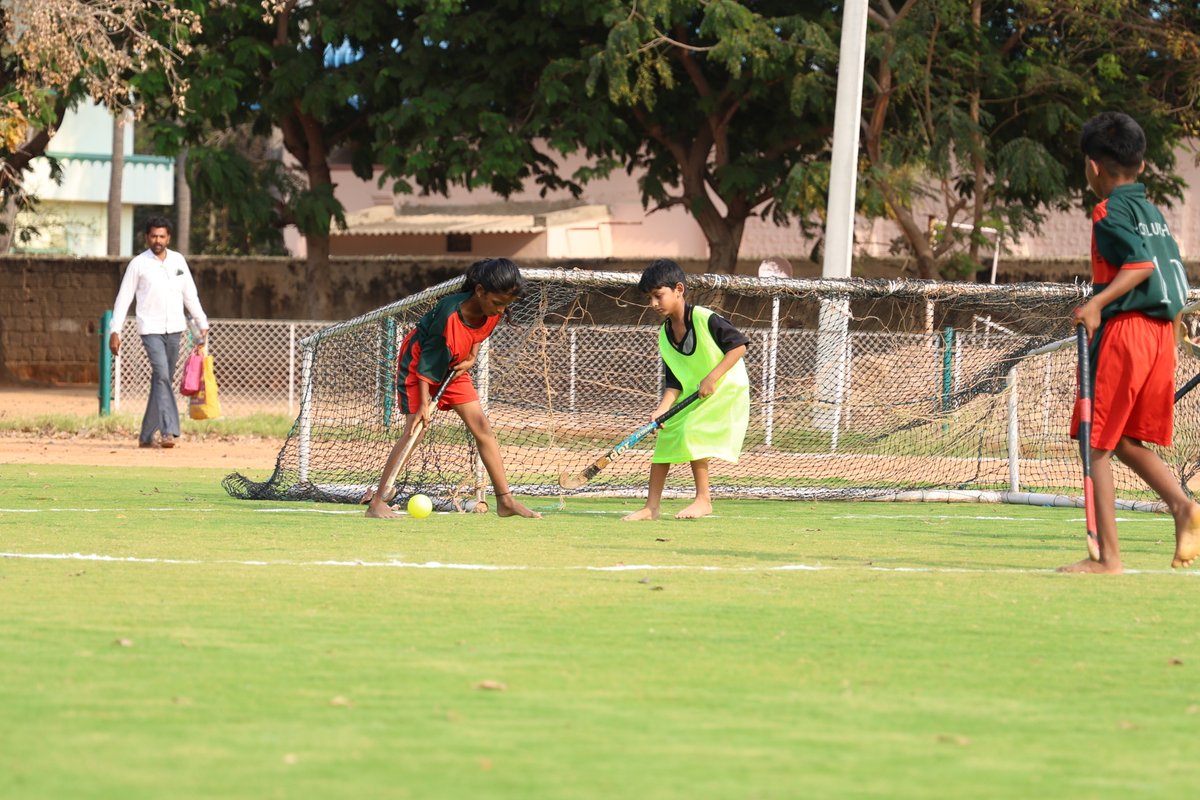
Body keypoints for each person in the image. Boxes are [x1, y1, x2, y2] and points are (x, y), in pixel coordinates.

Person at [1062, 111, 1200, 573]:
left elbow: (1139, 267)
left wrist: (1097, 304)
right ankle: (1184, 507)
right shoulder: (1153, 213)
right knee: (1121, 439)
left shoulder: (1108, 211)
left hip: (1130, 331)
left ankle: (1108, 559)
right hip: (1164, 334)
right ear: (1141, 166)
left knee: (1093, 439)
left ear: (1093, 166)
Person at [366, 257, 541, 520]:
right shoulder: (449, 316)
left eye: (507, 305)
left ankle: (505, 501)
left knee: (482, 426)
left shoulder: (494, 310)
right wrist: (424, 404)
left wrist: (471, 356)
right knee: (417, 428)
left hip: (453, 364)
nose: (501, 310)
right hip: (419, 363)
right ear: (480, 291)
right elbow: (426, 363)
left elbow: (479, 334)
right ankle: (377, 502)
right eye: (497, 303)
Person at [623, 259, 750, 521]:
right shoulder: (664, 333)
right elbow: (675, 382)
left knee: (693, 429)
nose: (653, 304)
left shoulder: (705, 318)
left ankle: (704, 500)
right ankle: (651, 507)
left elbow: (739, 345)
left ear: (678, 290)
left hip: (726, 388)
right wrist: (661, 410)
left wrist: (712, 377)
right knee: (666, 437)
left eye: (658, 296)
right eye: (650, 298)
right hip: (698, 393)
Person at [109, 216, 208, 449]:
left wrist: (201, 321)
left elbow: (189, 294)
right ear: (147, 237)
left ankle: (145, 435)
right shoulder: (138, 264)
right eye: (153, 236)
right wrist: (116, 330)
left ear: (168, 238)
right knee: (162, 375)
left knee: (161, 380)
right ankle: (168, 430)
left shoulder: (178, 261)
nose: (158, 240)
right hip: (150, 329)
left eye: (162, 236)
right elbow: (124, 299)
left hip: (175, 329)